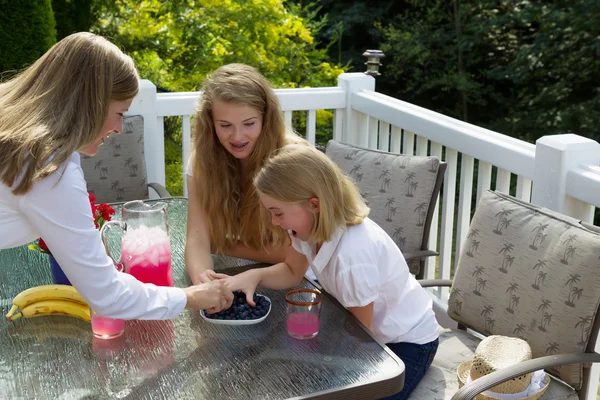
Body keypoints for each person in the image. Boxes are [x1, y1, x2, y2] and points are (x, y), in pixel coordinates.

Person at [0, 32, 233, 320]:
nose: (120, 128)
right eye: (120, 113)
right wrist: (188, 297)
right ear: (91, 104)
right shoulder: (48, 169)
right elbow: (108, 297)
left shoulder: (21, 135)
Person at [219, 144, 439, 400]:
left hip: (406, 343)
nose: (274, 222)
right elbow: (292, 270)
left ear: (314, 204)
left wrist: (318, 370)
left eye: (277, 212)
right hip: (360, 332)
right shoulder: (309, 231)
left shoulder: (352, 256)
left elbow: (362, 340)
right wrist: (253, 276)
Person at [185, 63, 312, 285]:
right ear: (210, 123)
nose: (237, 136)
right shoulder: (201, 162)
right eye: (225, 125)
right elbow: (197, 241)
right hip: (244, 277)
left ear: (266, 118)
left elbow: (298, 254)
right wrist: (203, 280)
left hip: (306, 284)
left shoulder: (294, 160)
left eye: (249, 123)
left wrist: (221, 245)